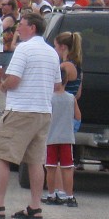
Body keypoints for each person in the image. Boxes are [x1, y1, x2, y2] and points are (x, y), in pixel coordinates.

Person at [0, 11, 61, 219]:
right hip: (43, 111)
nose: (17, 29)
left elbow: (13, 80)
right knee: (35, 160)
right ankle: (35, 206)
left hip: (21, 109)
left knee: (2, 155)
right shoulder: (52, 52)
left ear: (31, 28)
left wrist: (2, 84)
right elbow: (57, 84)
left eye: (21, 24)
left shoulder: (24, 49)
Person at [42, 68, 81, 207]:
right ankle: (69, 196)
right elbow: (78, 116)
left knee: (51, 167)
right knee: (67, 168)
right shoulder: (71, 98)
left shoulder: (49, 98)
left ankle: (51, 194)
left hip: (51, 138)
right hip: (66, 138)